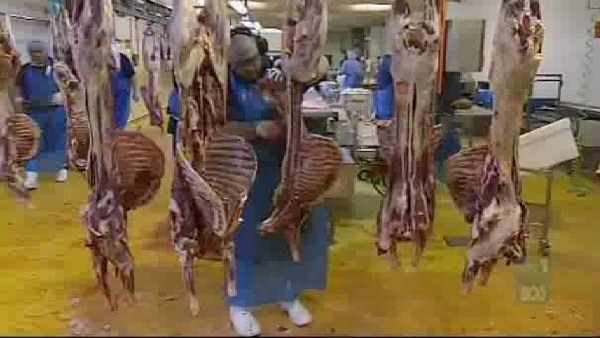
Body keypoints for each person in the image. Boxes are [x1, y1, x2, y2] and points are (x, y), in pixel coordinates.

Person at [223, 32, 330, 337]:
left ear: (261, 53)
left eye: (252, 61)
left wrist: (312, 65)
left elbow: (313, 75)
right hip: (246, 170)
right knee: (246, 238)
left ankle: (287, 293)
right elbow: (216, 126)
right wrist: (255, 128)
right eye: (241, 65)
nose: (249, 69)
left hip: (288, 165)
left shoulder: (278, 71)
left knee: (292, 233)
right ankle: (240, 303)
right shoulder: (222, 86)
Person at [15, 40, 69, 189]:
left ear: (46, 52)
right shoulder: (24, 70)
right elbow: (18, 88)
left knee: (58, 140)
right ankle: (32, 175)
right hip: (34, 112)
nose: (36, 55)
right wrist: (19, 103)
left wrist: (63, 94)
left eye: (39, 52)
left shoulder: (58, 67)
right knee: (33, 143)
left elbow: (74, 85)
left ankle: (61, 168)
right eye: (33, 53)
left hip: (56, 111)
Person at [111, 42, 139, 129]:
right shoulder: (102, 59)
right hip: (109, 93)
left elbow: (132, 76)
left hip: (122, 92)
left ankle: (120, 135)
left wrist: (135, 92)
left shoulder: (122, 58)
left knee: (121, 119)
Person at [375, 52, 394, 120]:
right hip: (386, 87)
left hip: (381, 87)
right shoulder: (389, 63)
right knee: (386, 109)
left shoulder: (383, 64)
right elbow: (393, 75)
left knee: (382, 108)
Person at [167, 73, 181, 154]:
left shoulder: (185, 93)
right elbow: (169, 108)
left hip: (180, 120)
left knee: (178, 141)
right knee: (172, 140)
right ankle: (174, 155)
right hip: (173, 119)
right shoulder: (172, 94)